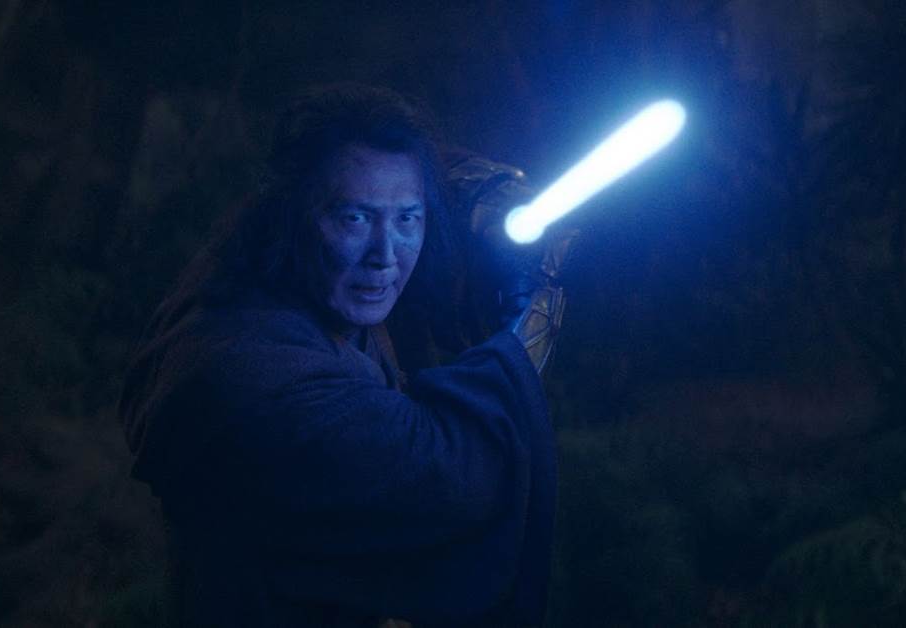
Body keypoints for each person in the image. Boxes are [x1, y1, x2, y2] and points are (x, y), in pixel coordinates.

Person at [118, 84, 568, 627]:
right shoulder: (252, 376)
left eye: (408, 220)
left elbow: (401, 179)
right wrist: (533, 313)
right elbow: (454, 469)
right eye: (354, 219)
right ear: (292, 216)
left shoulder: (260, 274)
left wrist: (491, 188)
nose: (385, 256)